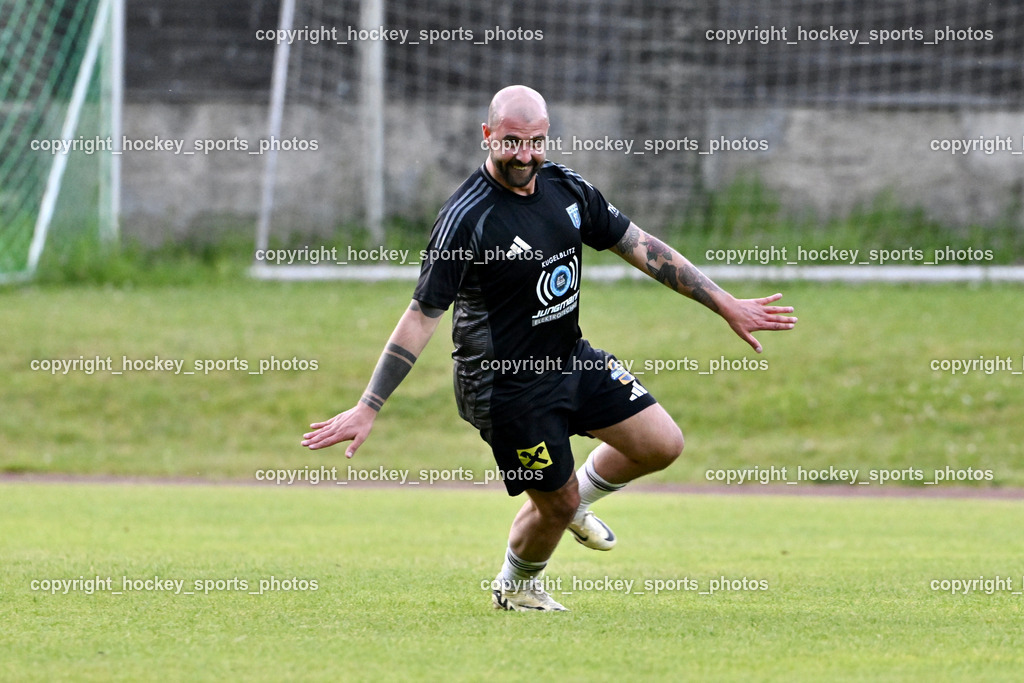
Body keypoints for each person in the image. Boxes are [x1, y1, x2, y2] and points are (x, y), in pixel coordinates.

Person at [301, 85, 797, 611]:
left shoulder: (566, 188)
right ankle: (517, 587)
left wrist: (724, 303)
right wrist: (368, 405)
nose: (525, 155)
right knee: (554, 507)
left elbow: (641, 246)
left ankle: (572, 500)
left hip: (569, 359)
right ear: (487, 136)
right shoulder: (465, 220)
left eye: (536, 141)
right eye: (511, 141)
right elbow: (421, 316)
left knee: (661, 444)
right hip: (504, 388)